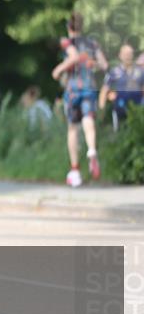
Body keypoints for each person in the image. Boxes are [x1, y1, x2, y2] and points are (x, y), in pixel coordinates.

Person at [51, 12, 107, 187]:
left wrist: (59, 69)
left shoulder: (66, 42)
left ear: (69, 27)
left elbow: (74, 57)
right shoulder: (92, 43)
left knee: (73, 128)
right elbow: (104, 65)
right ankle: (92, 150)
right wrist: (91, 63)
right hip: (89, 87)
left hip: (73, 89)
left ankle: (75, 170)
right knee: (88, 120)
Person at [99, 44, 144, 131]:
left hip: (139, 103)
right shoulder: (114, 72)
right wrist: (102, 111)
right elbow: (104, 90)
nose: (127, 56)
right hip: (121, 103)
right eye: (125, 54)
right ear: (120, 55)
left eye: (130, 54)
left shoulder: (140, 71)